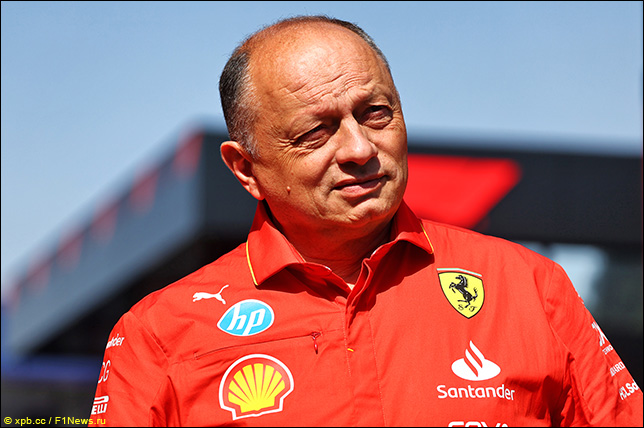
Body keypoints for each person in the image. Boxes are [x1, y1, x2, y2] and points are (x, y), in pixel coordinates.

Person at [89, 15, 642, 426]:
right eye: (315, 132)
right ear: (245, 168)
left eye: (376, 113)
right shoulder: (159, 334)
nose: (359, 148)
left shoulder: (528, 288)